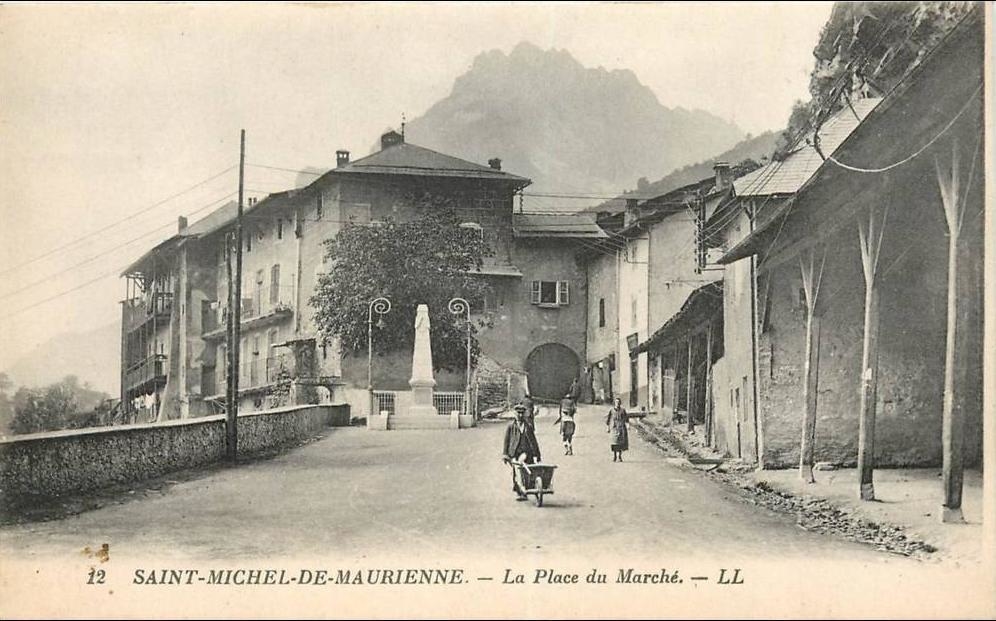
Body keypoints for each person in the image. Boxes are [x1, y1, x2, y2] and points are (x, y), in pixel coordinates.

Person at [502, 404, 542, 500]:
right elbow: (506, 441)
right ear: (514, 414)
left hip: (527, 453)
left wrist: (537, 454)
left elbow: (533, 441)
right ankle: (520, 492)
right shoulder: (511, 427)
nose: (520, 415)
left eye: (522, 413)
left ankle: (528, 488)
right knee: (516, 472)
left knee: (528, 472)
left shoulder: (528, 427)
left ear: (524, 414)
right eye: (518, 413)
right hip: (514, 453)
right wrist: (505, 454)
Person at [605, 397, 629, 462]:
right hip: (614, 427)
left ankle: (620, 456)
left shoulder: (623, 410)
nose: (617, 404)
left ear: (620, 403)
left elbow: (626, 419)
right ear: (614, 403)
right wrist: (608, 427)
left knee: (620, 443)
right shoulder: (611, 410)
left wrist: (627, 425)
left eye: (618, 402)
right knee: (614, 443)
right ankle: (615, 456)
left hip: (621, 427)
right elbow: (608, 419)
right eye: (616, 402)